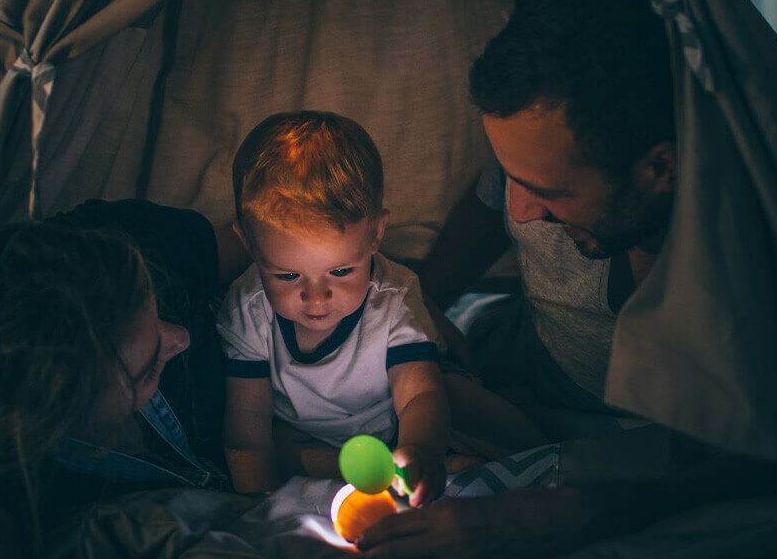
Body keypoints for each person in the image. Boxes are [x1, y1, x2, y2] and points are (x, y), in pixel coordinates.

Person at [358, 0, 777, 559]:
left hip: (638, 432)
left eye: (547, 192)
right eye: (513, 181)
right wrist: (421, 306)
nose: (522, 213)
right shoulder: (538, 151)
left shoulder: (741, 258)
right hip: (524, 349)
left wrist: (574, 514)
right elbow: (485, 209)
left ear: (659, 168)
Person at [0, 199, 248, 559]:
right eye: (147, 370)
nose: (181, 338)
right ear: (64, 418)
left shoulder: (132, 241)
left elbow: (257, 238)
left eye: (155, 308)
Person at [218, 111, 546, 506]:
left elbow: (417, 392)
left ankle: (540, 455)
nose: (316, 297)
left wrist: (420, 449)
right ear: (250, 245)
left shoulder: (393, 293)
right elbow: (247, 423)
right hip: (312, 434)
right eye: (288, 277)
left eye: (340, 271)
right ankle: (397, 470)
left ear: (376, 234)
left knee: (455, 396)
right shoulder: (248, 308)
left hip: (399, 415)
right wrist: (254, 501)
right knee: (279, 451)